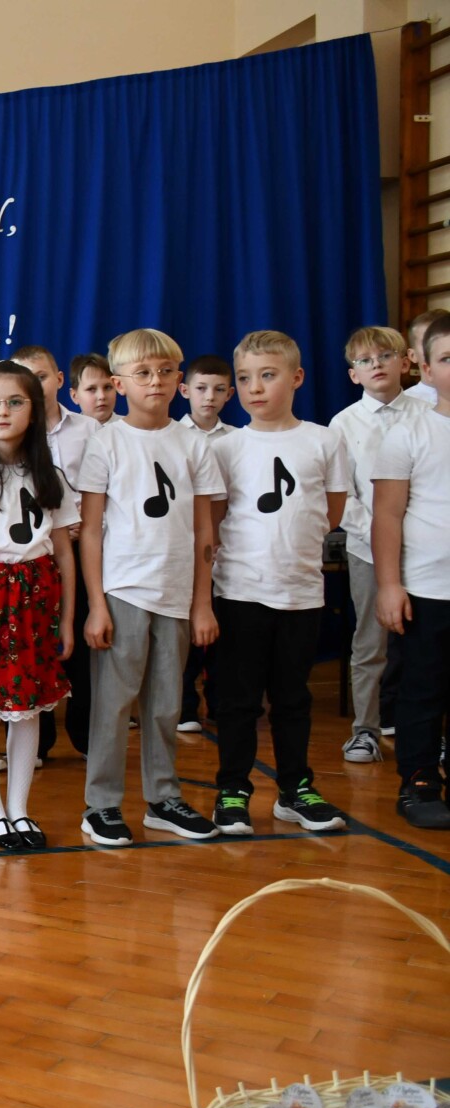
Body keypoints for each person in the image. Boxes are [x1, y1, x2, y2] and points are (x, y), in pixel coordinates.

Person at [76, 329, 224, 847]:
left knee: (166, 703)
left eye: (164, 371)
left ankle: (163, 798)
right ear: (119, 383)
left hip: (177, 593)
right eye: (142, 373)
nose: (155, 381)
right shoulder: (106, 442)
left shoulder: (193, 443)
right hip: (123, 590)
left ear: (179, 379)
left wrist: (202, 603)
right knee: (114, 704)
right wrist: (97, 605)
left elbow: (204, 531)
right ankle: (101, 805)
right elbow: (90, 531)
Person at [204, 330, 350, 837]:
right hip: (240, 593)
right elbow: (215, 522)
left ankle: (295, 789)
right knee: (238, 700)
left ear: (297, 377)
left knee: (292, 698)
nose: (255, 388)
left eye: (267, 375)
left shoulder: (324, 440)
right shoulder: (226, 447)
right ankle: (232, 789)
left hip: (301, 593)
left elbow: (331, 513)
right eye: (245, 378)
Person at [0, 361, 76, 851]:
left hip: (37, 595)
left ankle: (20, 808)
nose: (2, 411)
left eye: (15, 402)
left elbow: (63, 551)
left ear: (35, 410)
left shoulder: (50, 475)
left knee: (30, 708)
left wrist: (68, 619)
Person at [372, 312, 450, 830]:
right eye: (447, 358)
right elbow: (387, 514)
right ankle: (419, 782)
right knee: (423, 689)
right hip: (428, 588)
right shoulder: (408, 431)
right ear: (425, 368)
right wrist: (389, 585)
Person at [330, 326, 418, 763]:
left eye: (385, 356)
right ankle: (365, 730)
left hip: (424, 549)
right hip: (367, 548)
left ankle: (422, 728)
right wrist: (381, 532)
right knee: (370, 641)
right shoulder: (343, 424)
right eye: (365, 360)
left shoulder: (428, 413)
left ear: (405, 362)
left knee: (426, 642)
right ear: (354, 375)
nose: (376, 365)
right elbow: (341, 495)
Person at [13, 344, 95, 761]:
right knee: (36, 644)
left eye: (41, 376)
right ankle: (39, 741)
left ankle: (86, 735)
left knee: (81, 643)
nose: (34, 385)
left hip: (83, 550)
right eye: (25, 378)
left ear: (60, 380)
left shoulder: (89, 430)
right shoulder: (11, 434)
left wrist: (87, 525)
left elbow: (107, 492)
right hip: (34, 555)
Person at [175, 354, 236, 732]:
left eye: (218, 390)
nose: (209, 397)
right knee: (186, 633)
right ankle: (184, 706)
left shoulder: (237, 439)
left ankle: (220, 702)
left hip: (228, 552)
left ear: (230, 394)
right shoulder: (175, 437)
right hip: (187, 550)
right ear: (184, 391)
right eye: (201, 389)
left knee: (221, 632)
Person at [69, 352, 116, 423]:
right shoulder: (68, 429)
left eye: (107, 387)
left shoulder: (130, 428)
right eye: (91, 389)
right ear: (74, 396)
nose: (102, 396)